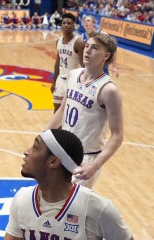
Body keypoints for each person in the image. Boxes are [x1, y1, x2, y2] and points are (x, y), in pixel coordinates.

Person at [0, 129, 142, 240]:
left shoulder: (97, 208)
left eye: (35, 147)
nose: (26, 152)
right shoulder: (22, 199)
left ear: (54, 161)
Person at [46, 32, 123, 188]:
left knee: (71, 209)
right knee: (52, 203)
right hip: (63, 152)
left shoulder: (109, 90)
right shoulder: (73, 75)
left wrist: (94, 166)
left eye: (94, 48)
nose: (87, 51)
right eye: (87, 46)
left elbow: (118, 135)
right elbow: (62, 111)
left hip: (86, 159)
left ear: (106, 56)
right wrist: (42, 139)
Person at [51, 13, 84, 112]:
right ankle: (57, 128)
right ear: (61, 25)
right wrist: (54, 82)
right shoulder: (58, 41)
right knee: (56, 110)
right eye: (64, 23)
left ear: (73, 25)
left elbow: (84, 66)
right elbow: (57, 62)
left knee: (70, 112)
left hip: (73, 81)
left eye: (69, 23)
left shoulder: (79, 42)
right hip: (60, 80)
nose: (66, 25)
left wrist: (83, 85)